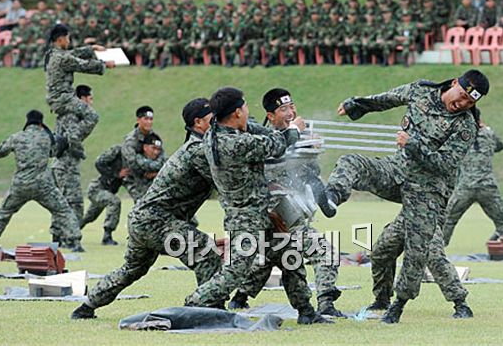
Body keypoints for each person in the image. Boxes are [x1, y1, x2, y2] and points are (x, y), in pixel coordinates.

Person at [324, 70, 489, 323]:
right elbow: (387, 98)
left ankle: (405, 306)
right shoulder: (420, 91)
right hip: (396, 172)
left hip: (428, 193)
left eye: (470, 102)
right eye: (463, 95)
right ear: (454, 83)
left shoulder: (465, 126)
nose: (463, 103)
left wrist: (412, 144)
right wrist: (356, 105)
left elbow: (445, 164)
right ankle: (333, 196)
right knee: (352, 165)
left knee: (421, 250)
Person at [184, 87, 330, 325]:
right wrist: (294, 131)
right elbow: (276, 144)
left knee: (289, 254)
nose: (248, 111)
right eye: (245, 107)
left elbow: (262, 132)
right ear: (237, 113)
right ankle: (191, 304)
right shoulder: (234, 144)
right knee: (235, 272)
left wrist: (289, 131)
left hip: (259, 212)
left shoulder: (217, 133)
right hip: (246, 217)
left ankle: (306, 311)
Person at [71, 98, 221, 319]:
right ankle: (211, 310)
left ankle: (86, 307)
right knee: (206, 253)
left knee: (132, 270)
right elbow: (225, 177)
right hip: (156, 220)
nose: (217, 121)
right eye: (213, 118)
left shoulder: (198, 146)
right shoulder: (197, 150)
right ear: (198, 122)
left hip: (144, 219)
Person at [228, 88, 344, 317]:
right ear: (270, 116)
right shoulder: (261, 140)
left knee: (272, 256)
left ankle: (239, 298)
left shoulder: (302, 136)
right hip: (272, 213)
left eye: (292, 107)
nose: (290, 112)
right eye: (283, 109)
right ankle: (326, 303)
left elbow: (310, 175)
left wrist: (310, 153)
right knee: (323, 251)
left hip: (292, 213)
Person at [0, 111, 83, 252]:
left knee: (3, 212)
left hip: (20, 185)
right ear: (41, 123)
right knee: (63, 210)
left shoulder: (17, 137)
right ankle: (75, 242)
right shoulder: (46, 138)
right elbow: (55, 152)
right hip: (43, 186)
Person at [444, 112, 503, 245]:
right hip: (487, 186)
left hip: (465, 187)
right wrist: (485, 129)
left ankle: (435, 251)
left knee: (448, 220)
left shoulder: (458, 135)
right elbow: (500, 146)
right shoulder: (489, 134)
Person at [44, 24, 115, 156]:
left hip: (55, 100)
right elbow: (83, 65)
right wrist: (104, 64)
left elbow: (73, 53)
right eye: (68, 38)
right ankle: (73, 140)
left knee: (67, 123)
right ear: (61, 39)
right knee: (92, 116)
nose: (69, 42)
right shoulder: (63, 58)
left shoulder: (51, 54)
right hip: (64, 99)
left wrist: (91, 49)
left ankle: (59, 144)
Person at [52, 85, 96, 228]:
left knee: (62, 202)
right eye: (90, 99)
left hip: (62, 165)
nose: (91, 103)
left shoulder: (68, 113)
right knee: (75, 202)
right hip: (66, 166)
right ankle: (72, 239)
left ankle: (58, 236)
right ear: (82, 99)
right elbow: (73, 136)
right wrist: (79, 150)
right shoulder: (71, 115)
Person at [81, 144, 127, 245]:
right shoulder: (117, 153)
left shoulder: (134, 162)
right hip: (97, 189)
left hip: (107, 192)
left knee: (89, 216)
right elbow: (99, 163)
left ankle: (71, 231)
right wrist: (116, 174)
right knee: (114, 202)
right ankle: (107, 236)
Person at [121, 106, 166, 203]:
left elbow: (163, 158)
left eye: (151, 119)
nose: (149, 122)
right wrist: (149, 171)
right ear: (138, 120)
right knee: (142, 206)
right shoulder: (130, 141)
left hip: (153, 176)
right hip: (134, 179)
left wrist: (155, 173)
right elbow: (133, 164)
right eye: (146, 119)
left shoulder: (154, 136)